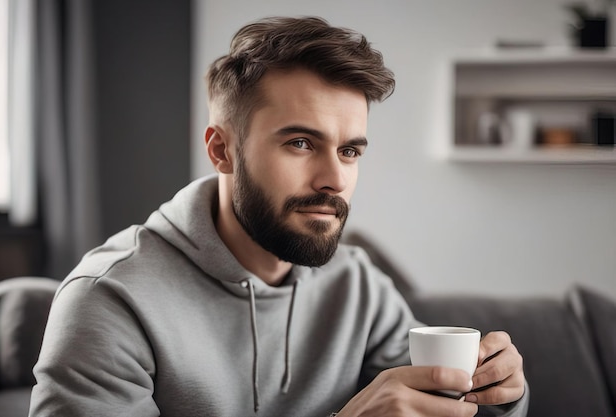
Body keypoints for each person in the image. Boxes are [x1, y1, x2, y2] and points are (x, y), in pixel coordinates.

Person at [29, 16, 528, 417]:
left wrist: (496, 393)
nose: (334, 178)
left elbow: (436, 402)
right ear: (222, 150)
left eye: (350, 151)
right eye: (301, 143)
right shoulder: (110, 301)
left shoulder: (358, 286)